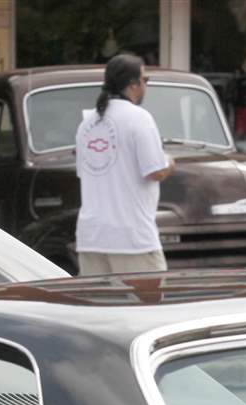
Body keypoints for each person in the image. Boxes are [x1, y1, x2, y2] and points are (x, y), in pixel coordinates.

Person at [75, 53, 174, 275]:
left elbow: (86, 174)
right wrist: (170, 162)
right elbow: (156, 171)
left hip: (91, 238)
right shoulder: (139, 118)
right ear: (134, 84)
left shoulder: (87, 123)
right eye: (145, 80)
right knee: (149, 307)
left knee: (100, 308)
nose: (145, 85)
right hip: (131, 239)